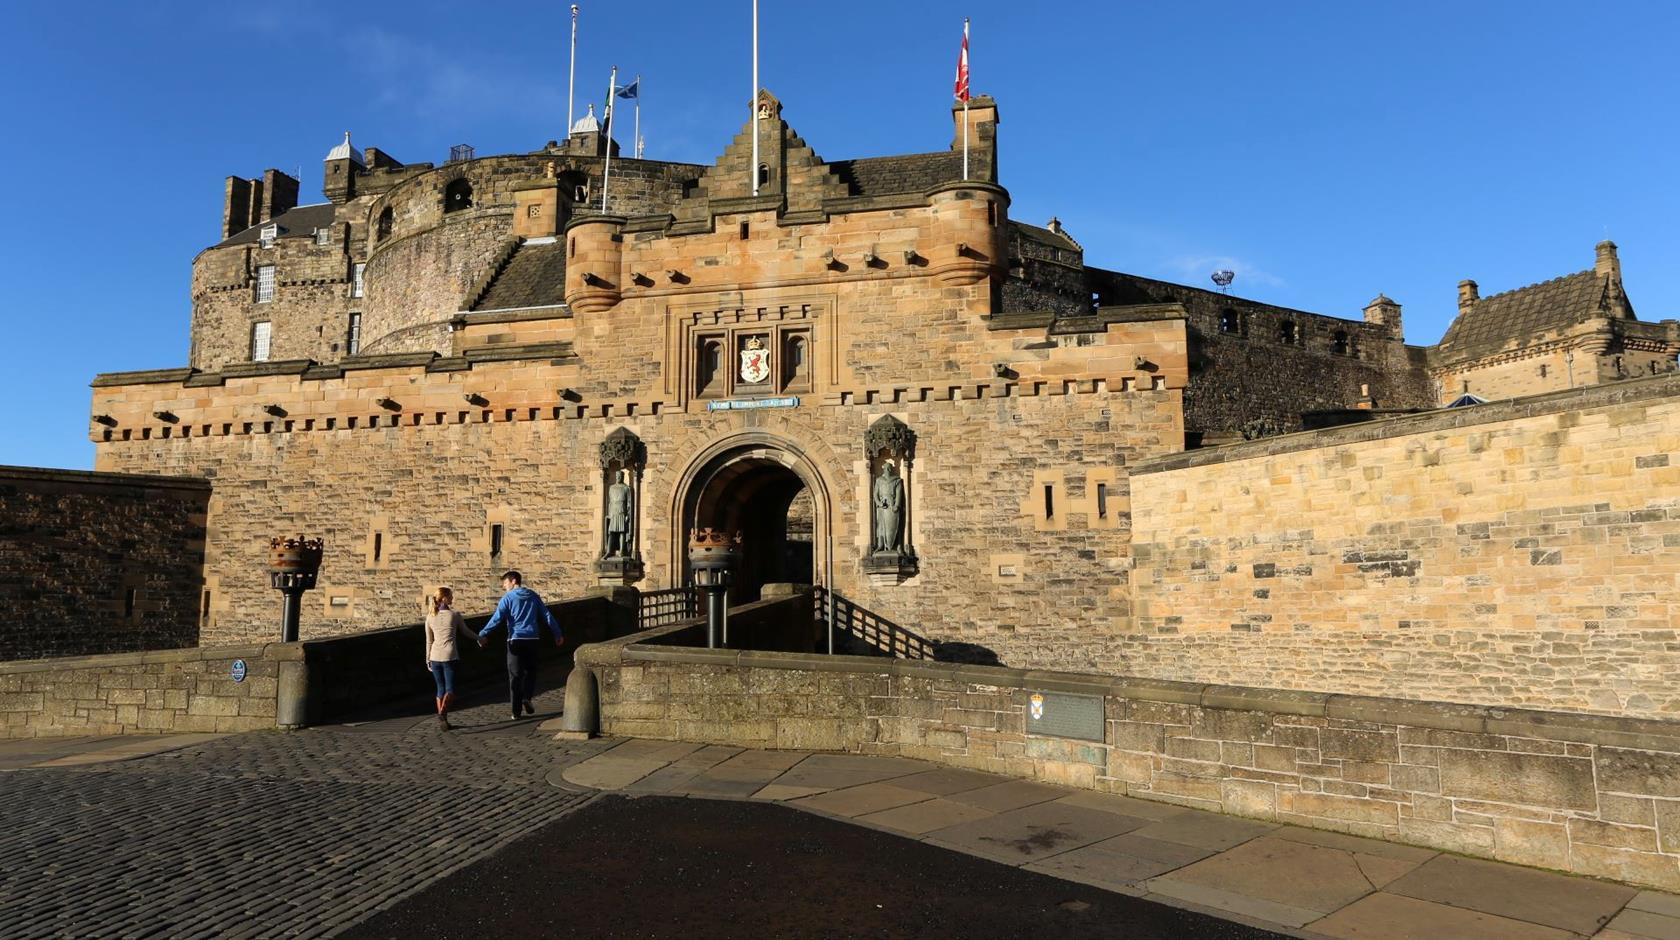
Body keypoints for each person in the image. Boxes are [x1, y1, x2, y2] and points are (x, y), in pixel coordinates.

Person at [477, 570, 564, 720]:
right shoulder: (533, 596)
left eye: (505, 583)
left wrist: (483, 633)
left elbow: (497, 619)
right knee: (531, 672)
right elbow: (547, 615)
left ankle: (515, 711)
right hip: (533, 639)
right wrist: (557, 633)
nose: (504, 587)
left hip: (515, 639)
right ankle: (527, 697)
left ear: (513, 581)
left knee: (515, 676)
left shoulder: (508, 598)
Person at [424, 587, 474, 730]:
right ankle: (442, 713)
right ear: (444, 598)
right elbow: (466, 631)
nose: (452, 599)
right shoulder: (454, 615)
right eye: (451, 596)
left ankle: (443, 721)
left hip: (434, 656)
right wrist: (479, 638)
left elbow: (429, 641)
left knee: (440, 689)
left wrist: (427, 659)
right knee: (450, 690)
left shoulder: (430, 616)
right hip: (449, 655)